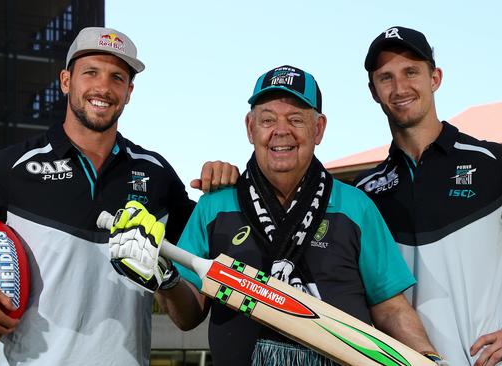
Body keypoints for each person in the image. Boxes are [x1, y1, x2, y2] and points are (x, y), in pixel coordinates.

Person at [107, 65, 442, 365]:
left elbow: (391, 308)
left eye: (296, 119)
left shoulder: (356, 206)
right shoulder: (214, 206)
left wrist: (427, 358)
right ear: (250, 128)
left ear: (318, 129)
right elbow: (188, 315)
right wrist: (166, 281)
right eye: (268, 119)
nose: (281, 130)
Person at [0, 26, 237, 365]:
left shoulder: (157, 174)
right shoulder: (14, 166)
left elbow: (189, 313)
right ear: (66, 81)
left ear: (129, 91)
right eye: (91, 73)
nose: (103, 87)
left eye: (117, 77)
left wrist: (223, 184)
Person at [355, 25, 502, 366]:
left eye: (411, 72)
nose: (400, 87)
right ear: (373, 91)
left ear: (435, 78)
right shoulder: (365, 190)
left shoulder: (491, 163)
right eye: (386, 78)